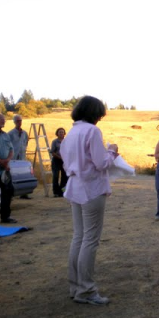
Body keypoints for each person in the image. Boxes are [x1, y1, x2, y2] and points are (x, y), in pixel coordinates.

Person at [60, 95, 118, 306]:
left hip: (75, 187)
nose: (99, 120)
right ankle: (86, 289)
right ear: (94, 113)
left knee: (79, 237)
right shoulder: (92, 131)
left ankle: (76, 286)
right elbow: (101, 163)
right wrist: (112, 152)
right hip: (91, 189)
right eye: (99, 115)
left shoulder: (71, 133)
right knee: (90, 239)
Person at [8, 114, 31, 199]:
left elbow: (26, 142)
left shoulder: (24, 133)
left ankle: (24, 193)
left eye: (20, 120)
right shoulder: (10, 133)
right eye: (17, 121)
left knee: (23, 173)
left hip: (22, 156)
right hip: (13, 157)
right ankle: (11, 193)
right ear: (14, 122)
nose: (19, 122)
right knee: (12, 174)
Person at [50, 127, 68, 197]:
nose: (61, 133)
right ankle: (56, 192)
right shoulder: (54, 142)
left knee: (64, 176)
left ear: (64, 133)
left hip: (64, 161)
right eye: (60, 132)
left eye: (62, 132)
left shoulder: (67, 141)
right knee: (56, 176)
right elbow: (53, 152)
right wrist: (60, 157)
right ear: (57, 133)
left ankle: (62, 192)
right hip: (56, 160)